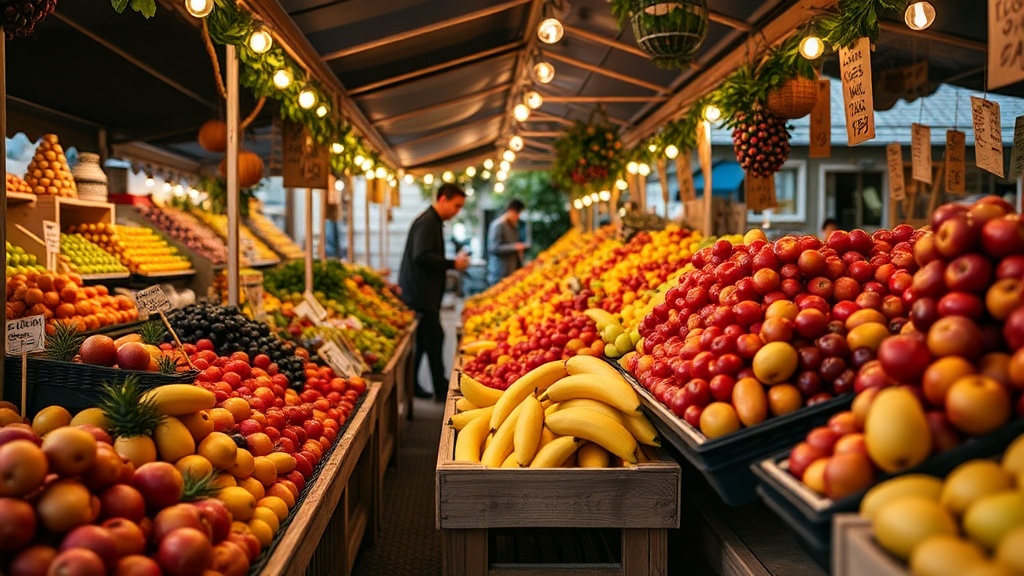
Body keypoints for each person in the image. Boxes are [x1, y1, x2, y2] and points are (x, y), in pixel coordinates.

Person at [399, 183, 470, 401]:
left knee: (423, 342)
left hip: (421, 295)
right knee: (435, 337)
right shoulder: (428, 223)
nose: (457, 211)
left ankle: (413, 386)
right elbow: (421, 255)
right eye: (456, 206)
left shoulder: (432, 221)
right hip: (421, 296)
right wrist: (452, 264)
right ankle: (441, 390)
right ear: (442, 199)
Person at [486, 199, 527, 285]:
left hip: (511, 272)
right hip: (499, 274)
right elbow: (493, 248)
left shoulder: (514, 226)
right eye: (517, 213)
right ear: (510, 210)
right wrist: (514, 247)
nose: (518, 217)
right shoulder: (498, 225)